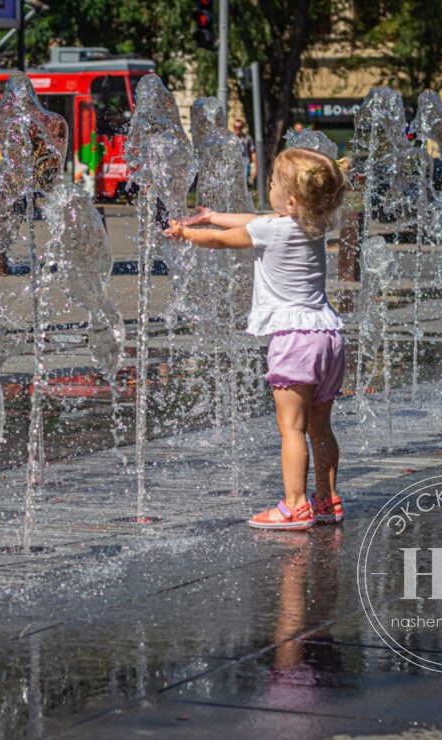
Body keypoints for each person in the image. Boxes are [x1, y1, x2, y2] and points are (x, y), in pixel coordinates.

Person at [163, 147, 348, 531]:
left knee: (292, 429)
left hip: (295, 339)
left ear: (293, 200)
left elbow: (222, 241)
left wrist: (187, 232)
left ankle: (295, 505)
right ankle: (327, 500)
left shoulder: (273, 229)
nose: (270, 187)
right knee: (320, 427)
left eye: (275, 183)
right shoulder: (314, 225)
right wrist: (213, 216)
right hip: (329, 335)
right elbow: (256, 220)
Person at [232, 118, 257, 184]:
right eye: (235, 127)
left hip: (245, 165)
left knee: (244, 184)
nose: (237, 129)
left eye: (239, 127)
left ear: (242, 127)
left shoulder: (248, 138)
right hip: (233, 165)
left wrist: (255, 167)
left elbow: (253, 153)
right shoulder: (230, 138)